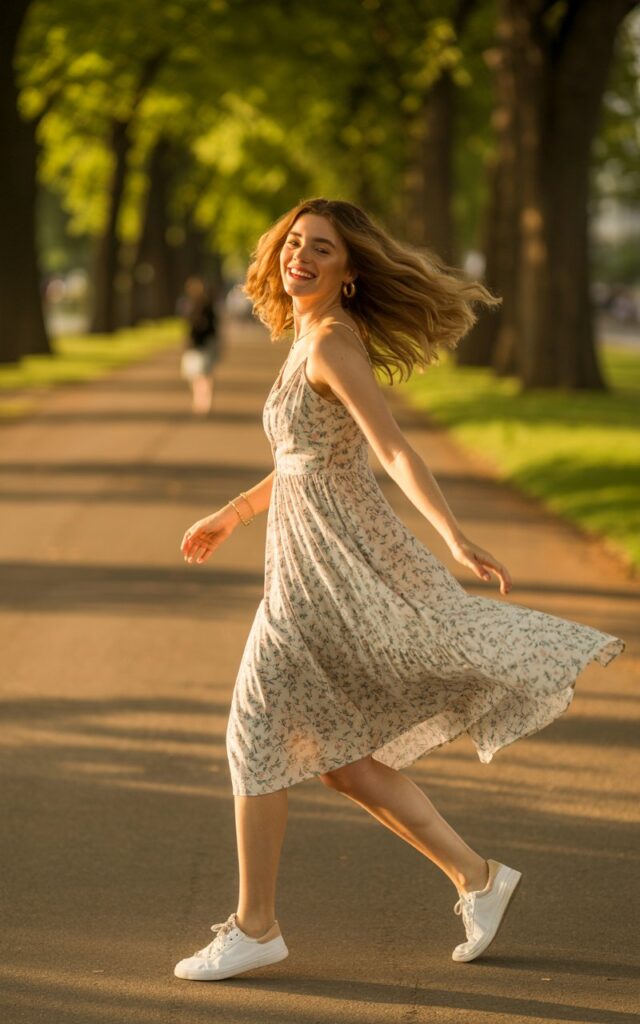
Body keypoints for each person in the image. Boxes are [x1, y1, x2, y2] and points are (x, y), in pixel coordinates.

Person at [175, 197, 626, 982]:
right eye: (294, 244)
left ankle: (255, 926)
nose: (301, 258)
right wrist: (235, 512)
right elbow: (301, 459)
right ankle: (479, 881)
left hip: (328, 579)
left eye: (321, 250)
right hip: (303, 565)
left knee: (255, 733)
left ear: (350, 274)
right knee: (339, 759)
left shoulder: (332, 345)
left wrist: (452, 535)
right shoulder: (304, 339)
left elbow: (393, 450)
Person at [179, 276, 222, 414]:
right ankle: (202, 400)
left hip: (201, 344)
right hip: (200, 344)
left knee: (201, 375)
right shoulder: (194, 305)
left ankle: (202, 401)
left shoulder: (197, 306)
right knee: (202, 375)